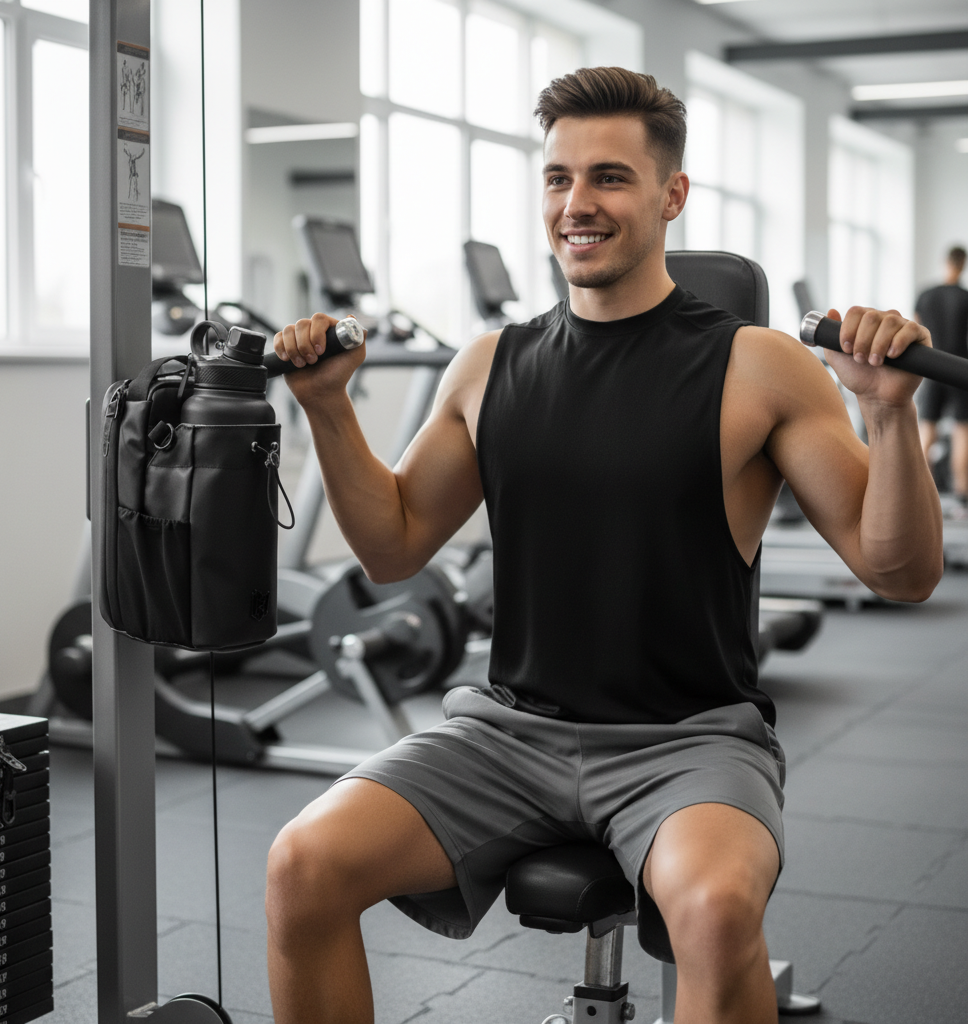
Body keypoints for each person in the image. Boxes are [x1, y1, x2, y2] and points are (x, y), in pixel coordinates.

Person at [265, 67, 944, 1024]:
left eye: (610, 178)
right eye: (558, 179)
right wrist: (328, 409)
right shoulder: (490, 364)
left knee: (712, 912)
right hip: (507, 733)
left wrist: (887, 415)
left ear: (671, 196)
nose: (577, 204)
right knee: (304, 862)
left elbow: (902, 572)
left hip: (690, 743)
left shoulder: (758, 363)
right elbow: (392, 548)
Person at [915, 245, 968, 510]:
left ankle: (921, 492)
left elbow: (915, 330)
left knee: (928, 431)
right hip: (960, 370)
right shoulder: (965, 297)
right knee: (962, 430)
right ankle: (962, 492)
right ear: (963, 264)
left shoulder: (926, 295)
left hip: (931, 368)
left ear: (944, 262)